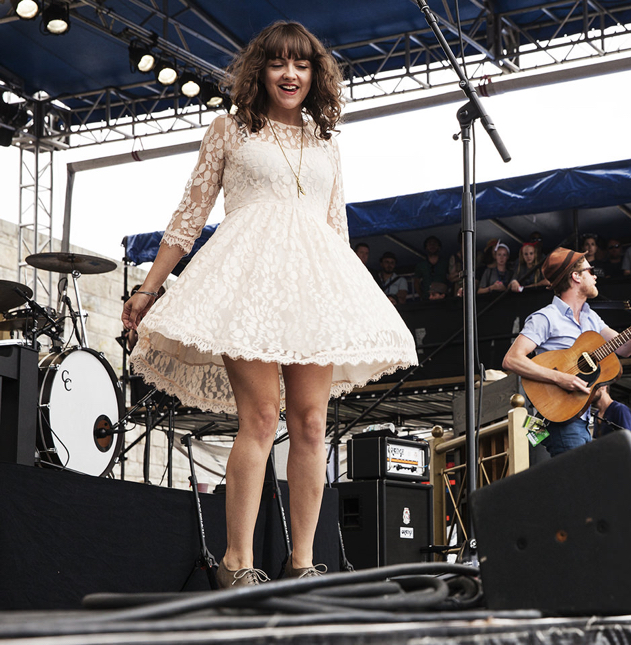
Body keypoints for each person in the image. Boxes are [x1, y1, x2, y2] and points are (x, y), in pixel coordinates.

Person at [122, 22, 417, 589]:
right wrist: (148, 288)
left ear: (315, 75)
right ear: (260, 70)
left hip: (311, 289)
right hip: (248, 286)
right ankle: (237, 562)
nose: (290, 74)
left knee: (311, 424)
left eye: (302, 65)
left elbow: (335, 228)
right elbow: (190, 215)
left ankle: (302, 562)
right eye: (279, 63)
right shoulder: (230, 129)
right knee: (258, 419)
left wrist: (344, 299)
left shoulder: (327, 141)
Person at [502, 248, 631, 456]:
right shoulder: (546, 317)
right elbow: (511, 359)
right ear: (575, 276)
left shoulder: (591, 317)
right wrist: (561, 378)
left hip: (581, 416)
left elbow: (624, 348)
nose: (595, 276)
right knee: (581, 482)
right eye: (590, 271)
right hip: (559, 417)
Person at [413, 235, 447, 300]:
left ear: (439, 247)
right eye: (429, 244)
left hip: (443, 298)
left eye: (434, 244)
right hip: (427, 298)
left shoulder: (445, 263)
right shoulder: (421, 265)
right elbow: (416, 282)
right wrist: (422, 295)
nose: (432, 246)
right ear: (426, 247)